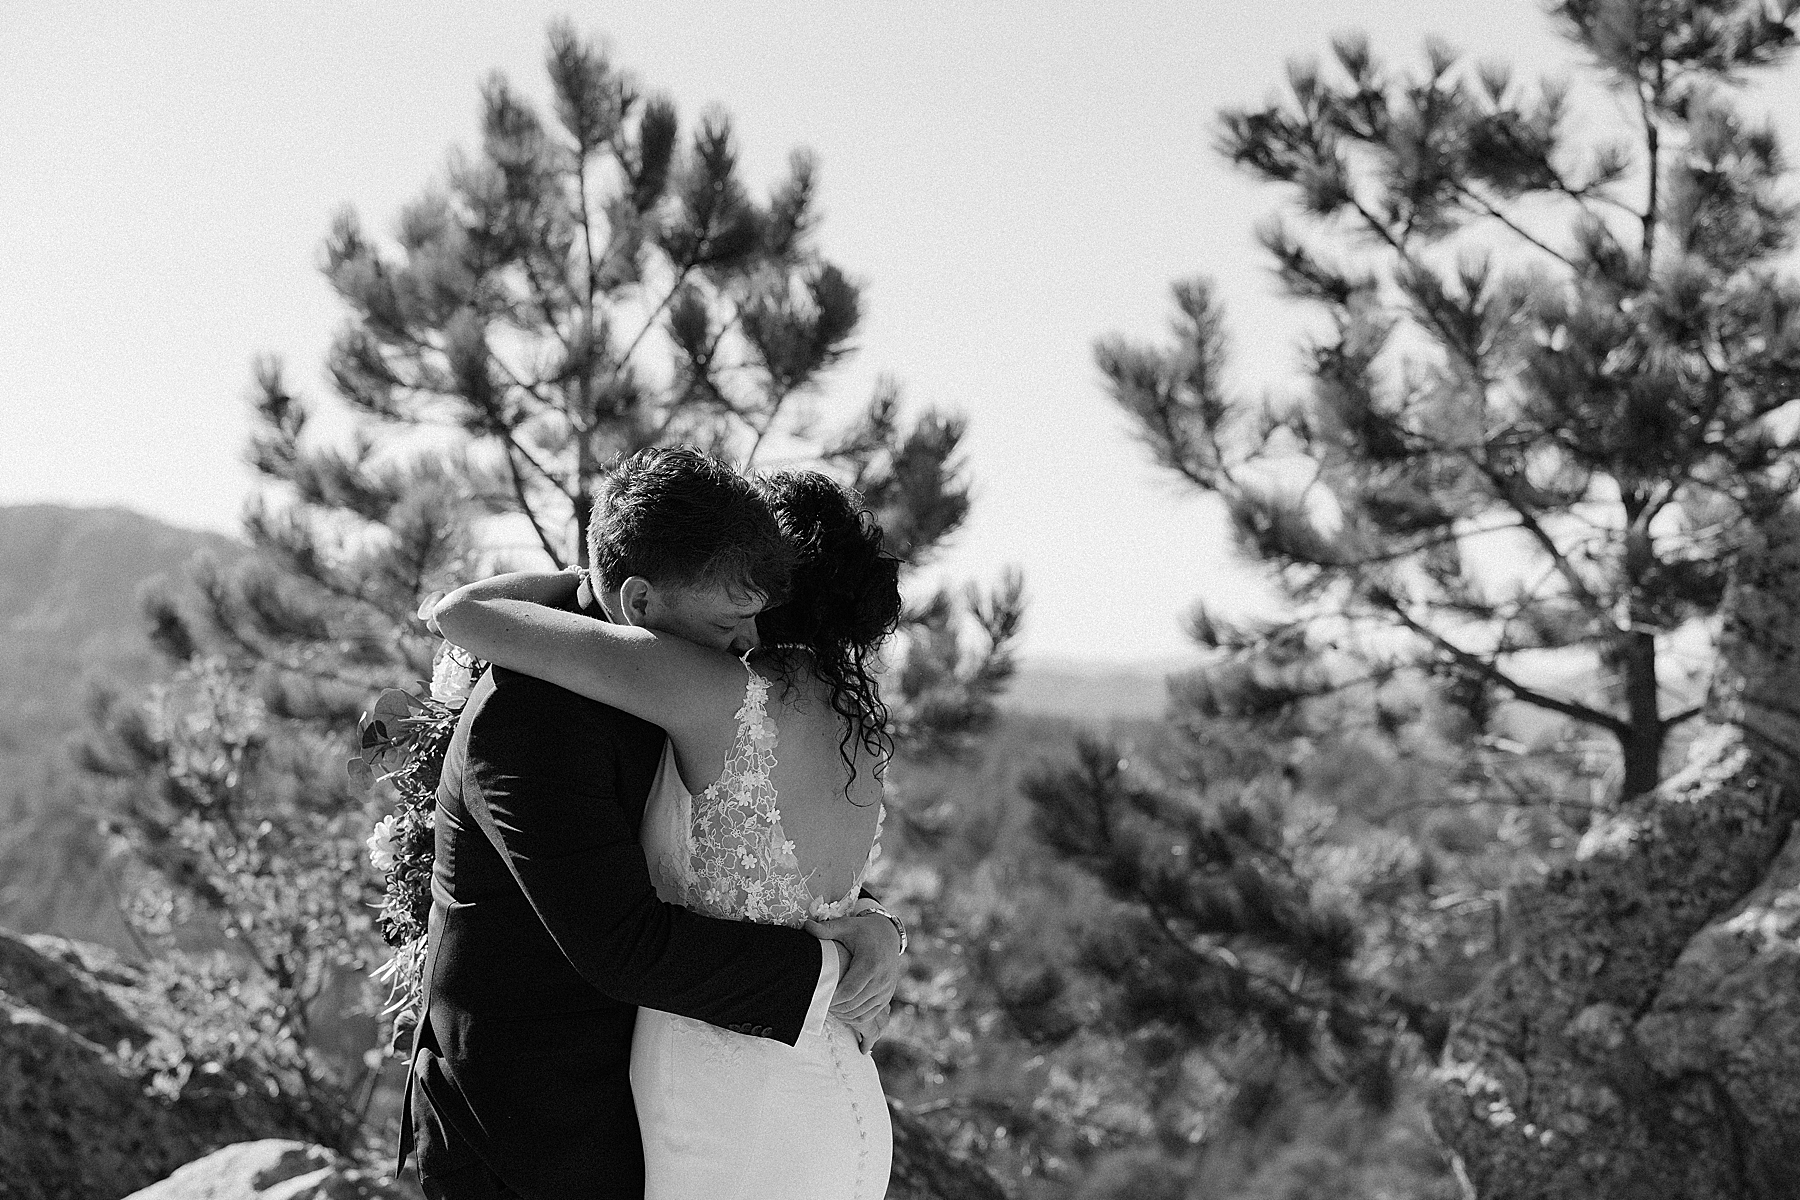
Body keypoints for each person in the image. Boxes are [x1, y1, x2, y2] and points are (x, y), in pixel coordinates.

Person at [404, 447, 902, 1200]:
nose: (744, 640)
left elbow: (461, 608)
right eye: (733, 612)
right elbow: (621, 944)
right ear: (639, 604)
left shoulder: (703, 686)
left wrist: (864, 931)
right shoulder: (535, 708)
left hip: (693, 1100)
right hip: (529, 1129)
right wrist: (839, 964)